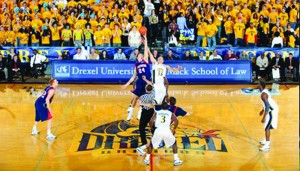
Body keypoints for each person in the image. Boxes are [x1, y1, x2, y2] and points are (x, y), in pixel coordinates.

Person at [122, 34, 151, 121]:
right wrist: (126, 84)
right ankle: (130, 112)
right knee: (135, 97)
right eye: (139, 56)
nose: (141, 56)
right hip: (139, 82)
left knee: (143, 98)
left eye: (142, 56)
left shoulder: (145, 61)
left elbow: (146, 50)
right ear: (137, 57)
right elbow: (133, 77)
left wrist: (145, 40)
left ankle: (140, 112)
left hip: (146, 82)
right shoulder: (136, 65)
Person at [257, 80, 278, 152]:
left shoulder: (263, 94)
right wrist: (262, 110)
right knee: (267, 126)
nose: (257, 85)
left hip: (271, 111)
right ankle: (266, 139)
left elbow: (267, 106)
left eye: (258, 84)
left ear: (261, 86)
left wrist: (264, 117)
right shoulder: (264, 92)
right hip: (271, 109)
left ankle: (267, 145)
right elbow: (267, 104)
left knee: (267, 127)